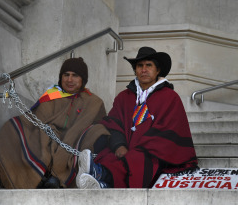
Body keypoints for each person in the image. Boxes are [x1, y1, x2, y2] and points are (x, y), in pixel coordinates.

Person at [76, 47, 198, 189]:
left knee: (136, 160)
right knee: (108, 155)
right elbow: (113, 123)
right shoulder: (124, 97)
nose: (144, 70)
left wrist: (138, 149)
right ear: (135, 70)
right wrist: (119, 145)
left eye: (149, 65)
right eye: (140, 66)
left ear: (158, 70)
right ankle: (101, 181)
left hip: (154, 153)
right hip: (125, 148)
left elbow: (170, 130)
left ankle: (100, 175)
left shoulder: (170, 97)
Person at [0, 57, 110, 189]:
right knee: (14, 127)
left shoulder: (94, 102)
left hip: (76, 140)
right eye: (66, 75)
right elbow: (35, 120)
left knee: (98, 132)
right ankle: (38, 177)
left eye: (75, 75)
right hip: (47, 136)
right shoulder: (52, 96)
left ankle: (56, 177)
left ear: (83, 79)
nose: (69, 80)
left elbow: (100, 126)